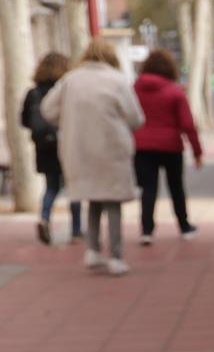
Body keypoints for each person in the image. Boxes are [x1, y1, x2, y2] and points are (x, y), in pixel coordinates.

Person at [40, 38, 145, 276]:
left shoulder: (70, 80)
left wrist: (68, 120)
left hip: (79, 148)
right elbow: (135, 118)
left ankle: (93, 250)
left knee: (93, 198)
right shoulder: (117, 81)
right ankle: (116, 256)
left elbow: (48, 109)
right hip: (111, 147)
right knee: (112, 200)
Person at [132, 48, 203, 245]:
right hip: (170, 146)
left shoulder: (134, 89)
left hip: (142, 146)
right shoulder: (174, 91)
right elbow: (188, 124)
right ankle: (184, 226)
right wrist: (197, 152)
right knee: (176, 186)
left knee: (148, 188)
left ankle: (146, 230)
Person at [21, 52, 82, 244]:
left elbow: (24, 120)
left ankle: (45, 218)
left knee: (51, 187)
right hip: (66, 142)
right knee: (74, 188)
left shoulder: (34, 92)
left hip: (44, 146)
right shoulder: (66, 90)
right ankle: (76, 229)